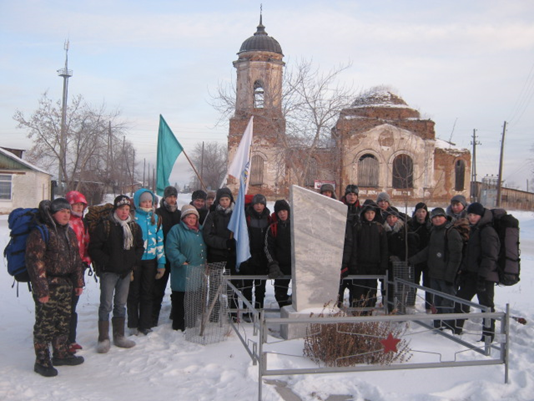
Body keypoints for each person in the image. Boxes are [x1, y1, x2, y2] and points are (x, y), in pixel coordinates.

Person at [26, 198, 85, 377]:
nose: (67, 214)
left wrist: (78, 282)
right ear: (53, 214)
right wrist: (41, 290)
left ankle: (61, 353)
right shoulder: (41, 233)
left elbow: (76, 260)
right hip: (48, 285)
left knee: (63, 321)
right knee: (46, 324)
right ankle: (42, 360)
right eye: (62, 211)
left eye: (68, 211)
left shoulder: (69, 233)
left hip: (66, 284)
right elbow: (34, 262)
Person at [89, 195, 144, 353]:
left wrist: (133, 261)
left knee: (121, 304)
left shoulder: (133, 227)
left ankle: (119, 336)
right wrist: (107, 262)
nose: (124, 212)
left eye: (127, 209)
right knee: (106, 305)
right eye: (121, 209)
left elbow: (139, 246)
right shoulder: (105, 226)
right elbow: (94, 248)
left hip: (125, 272)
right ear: (116, 210)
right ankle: (103, 338)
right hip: (109, 272)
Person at [451, 202, 500, 341]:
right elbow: (470, 254)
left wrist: (483, 277)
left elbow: (490, 256)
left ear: (481, 215)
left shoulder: (487, 231)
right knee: (461, 300)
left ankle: (488, 337)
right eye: (470, 215)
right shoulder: (476, 229)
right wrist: (464, 271)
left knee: (487, 306)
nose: (471, 218)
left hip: (485, 277)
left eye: (475, 215)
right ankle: (456, 330)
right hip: (472, 275)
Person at [409, 207, 463, 329]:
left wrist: (451, 276)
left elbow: (456, 256)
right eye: (435, 217)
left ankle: (449, 328)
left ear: (445, 217)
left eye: (440, 217)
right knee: (437, 302)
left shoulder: (451, 232)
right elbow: (428, 251)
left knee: (447, 303)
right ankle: (438, 325)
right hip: (434, 274)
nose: (437, 219)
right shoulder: (434, 232)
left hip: (447, 276)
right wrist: (412, 260)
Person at [128, 188, 166, 335]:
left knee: (147, 292)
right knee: (134, 293)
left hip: (150, 261)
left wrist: (161, 263)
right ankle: (133, 323)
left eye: (149, 201)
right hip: (135, 261)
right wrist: (129, 265)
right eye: (144, 201)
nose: (147, 203)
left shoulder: (155, 218)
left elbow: (159, 241)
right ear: (138, 202)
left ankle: (145, 323)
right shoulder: (132, 217)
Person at [165, 204, 207, 331]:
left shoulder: (200, 231)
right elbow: (171, 248)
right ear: (183, 218)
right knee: (180, 299)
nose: (192, 220)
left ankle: (191, 323)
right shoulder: (176, 230)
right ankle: (178, 325)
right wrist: (181, 260)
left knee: (193, 299)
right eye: (189, 217)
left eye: (194, 217)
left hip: (197, 270)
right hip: (182, 271)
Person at [347, 202, 388, 309]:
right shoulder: (358, 227)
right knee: (358, 289)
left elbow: (384, 248)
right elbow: (354, 246)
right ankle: (357, 310)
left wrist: (383, 265)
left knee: (371, 289)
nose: (370, 215)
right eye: (368, 213)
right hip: (360, 265)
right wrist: (353, 263)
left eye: (372, 213)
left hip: (374, 265)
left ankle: (369, 311)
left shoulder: (379, 228)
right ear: (363, 214)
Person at [65, 190, 91, 353]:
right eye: (76, 204)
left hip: (78, 269)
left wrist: (86, 260)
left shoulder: (82, 222)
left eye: (82, 205)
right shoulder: (65, 222)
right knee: (63, 306)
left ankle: (70, 339)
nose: (79, 207)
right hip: (63, 270)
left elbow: (86, 242)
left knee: (72, 304)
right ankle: (60, 340)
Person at [153, 186, 182, 327]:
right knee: (158, 288)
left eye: (174, 196)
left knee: (176, 288)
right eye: (169, 196)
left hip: (176, 257)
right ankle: (153, 318)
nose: (172, 199)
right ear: (165, 197)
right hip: (161, 256)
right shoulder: (158, 213)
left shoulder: (180, 214)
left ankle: (175, 313)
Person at [240, 194, 272, 312]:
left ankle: (259, 312)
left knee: (260, 289)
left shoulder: (268, 219)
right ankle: (246, 312)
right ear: (252, 205)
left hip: (263, 259)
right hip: (249, 257)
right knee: (247, 287)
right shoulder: (246, 218)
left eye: (261, 204)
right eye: (256, 204)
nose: (259, 206)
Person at [383, 208, 418, 311]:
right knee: (389, 286)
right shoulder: (383, 230)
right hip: (389, 262)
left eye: (393, 217)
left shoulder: (405, 229)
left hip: (402, 263)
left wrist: (400, 257)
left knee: (401, 287)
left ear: (397, 218)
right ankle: (390, 308)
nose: (391, 219)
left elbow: (411, 246)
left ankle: (401, 307)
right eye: (389, 217)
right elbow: (382, 246)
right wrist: (389, 256)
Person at [265, 200, 292, 308]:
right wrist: (273, 264)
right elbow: (268, 247)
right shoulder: (273, 228)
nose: (282, 214)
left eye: (284, 211)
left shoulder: (296, 226)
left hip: (296, 265)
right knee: (280, 295)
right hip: (280, 266)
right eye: (279, 212)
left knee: (302, 294)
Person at [408, 202, 432, 309]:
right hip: (414, 258)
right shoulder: (411, 225)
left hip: (427, 260)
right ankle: (410, 303)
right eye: (419, 211)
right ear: (415, 213)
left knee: (428, 283)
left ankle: (429, 305)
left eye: (423, 212)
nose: (421, 214)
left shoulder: (430, 226)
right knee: (413, 282)